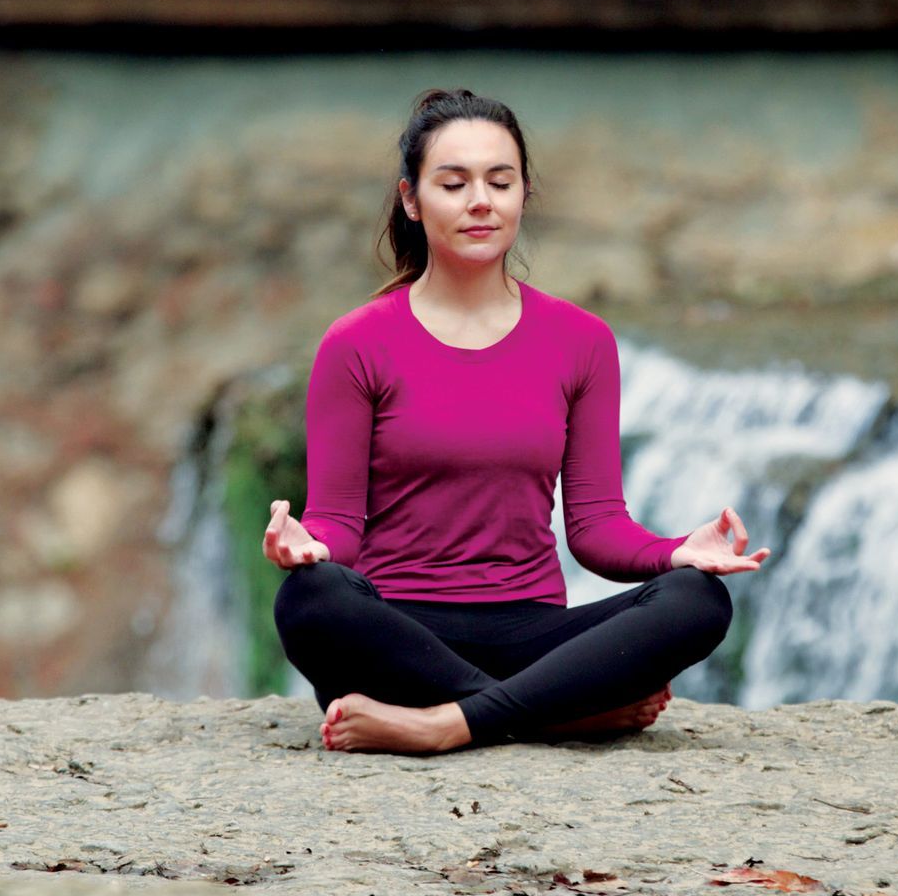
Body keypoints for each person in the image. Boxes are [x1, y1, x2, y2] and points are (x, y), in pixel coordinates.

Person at [263, 87, 771, 754]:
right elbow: (341, 528)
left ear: (523, 195)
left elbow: (596, 528)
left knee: (698, 600)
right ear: (412, 200)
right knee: (310, 598)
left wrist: (674, 552)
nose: (481, 201)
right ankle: (557, 715)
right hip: (397, 639)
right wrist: (310, 545)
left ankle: (447, 724)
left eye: (500, 182)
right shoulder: (357, 344)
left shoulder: (580, 341)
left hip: (531, 637)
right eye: (454, 183)